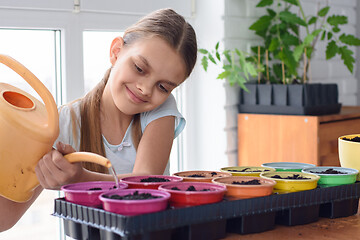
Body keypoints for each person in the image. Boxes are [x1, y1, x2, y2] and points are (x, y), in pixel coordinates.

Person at [0, 8, 197, 231]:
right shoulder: (61, 124)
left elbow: (146, 180)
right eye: (140, 68)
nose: (145, 88)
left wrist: (80, 178)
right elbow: (5, 218)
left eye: (163, 87)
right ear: (116, 51)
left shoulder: (161, 109)